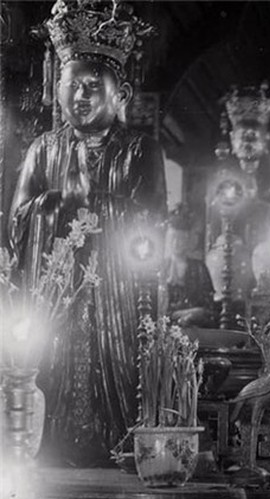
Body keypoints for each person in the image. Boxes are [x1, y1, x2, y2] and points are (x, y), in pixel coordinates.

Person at [9, 0, 166, 466]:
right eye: (70, 83)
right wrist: (56, 204)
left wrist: (94, 204)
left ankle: (119, 442)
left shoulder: (140, 150)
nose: (79, 95)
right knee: (49, 364)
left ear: (122, 94)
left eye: (93, 86)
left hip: (115, 295)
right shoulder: (43, 149)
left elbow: (152, 222)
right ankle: (48, 443)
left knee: (118, 370)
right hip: (56, 289)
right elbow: (18, 222)